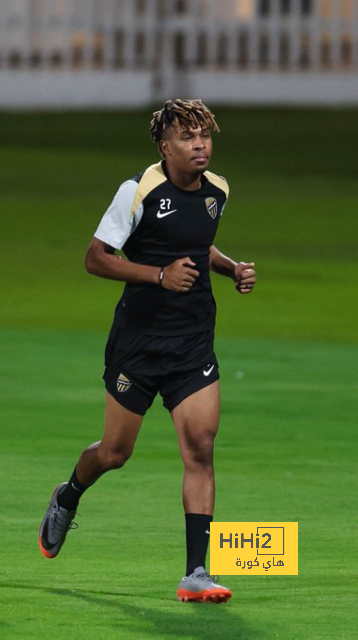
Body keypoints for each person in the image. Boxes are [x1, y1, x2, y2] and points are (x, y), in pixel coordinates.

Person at [39, 99, 256, 603]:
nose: (200, 144)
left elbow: (199, 243)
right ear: (165, 147)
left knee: (200, 449)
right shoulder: (137, 190)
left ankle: (195, 573)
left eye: (205, 135)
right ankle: (67, 495)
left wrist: (230, 269)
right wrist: (157, 275)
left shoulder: (217, 192)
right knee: (115, 453)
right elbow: (96, 258)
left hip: (192, 342)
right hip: (137, 345)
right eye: (187, 137)